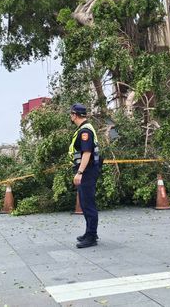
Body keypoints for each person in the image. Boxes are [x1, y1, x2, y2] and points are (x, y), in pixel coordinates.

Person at [69, 103, 101, 248]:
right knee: (84, 202)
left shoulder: (85, 131)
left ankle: (92, 236)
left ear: (75, 115)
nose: (70, 116)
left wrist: (80, 172)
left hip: (87, 171)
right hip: (87, 170)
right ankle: (89, 232)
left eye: (71, 114)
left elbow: (87, 153)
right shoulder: (84, 128)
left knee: (88, 204)